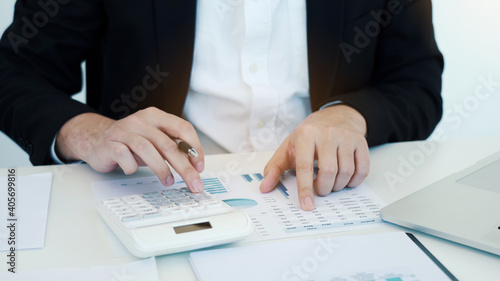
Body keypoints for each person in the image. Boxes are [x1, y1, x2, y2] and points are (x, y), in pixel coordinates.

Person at [0, 0, 443, 211]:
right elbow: (15, 72)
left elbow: (416, 81)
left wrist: (349, 115)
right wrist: (89, 130)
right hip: (158, 199)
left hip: (333, 202)